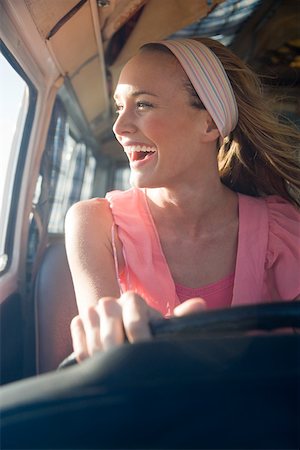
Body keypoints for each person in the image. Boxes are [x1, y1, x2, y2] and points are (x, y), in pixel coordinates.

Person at [65, 37, 300, 362]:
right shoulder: (95, 224)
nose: (119, 126)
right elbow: (103, 359)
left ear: (209, 124)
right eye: (120, 107)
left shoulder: (284, 228)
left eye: (143, 104)